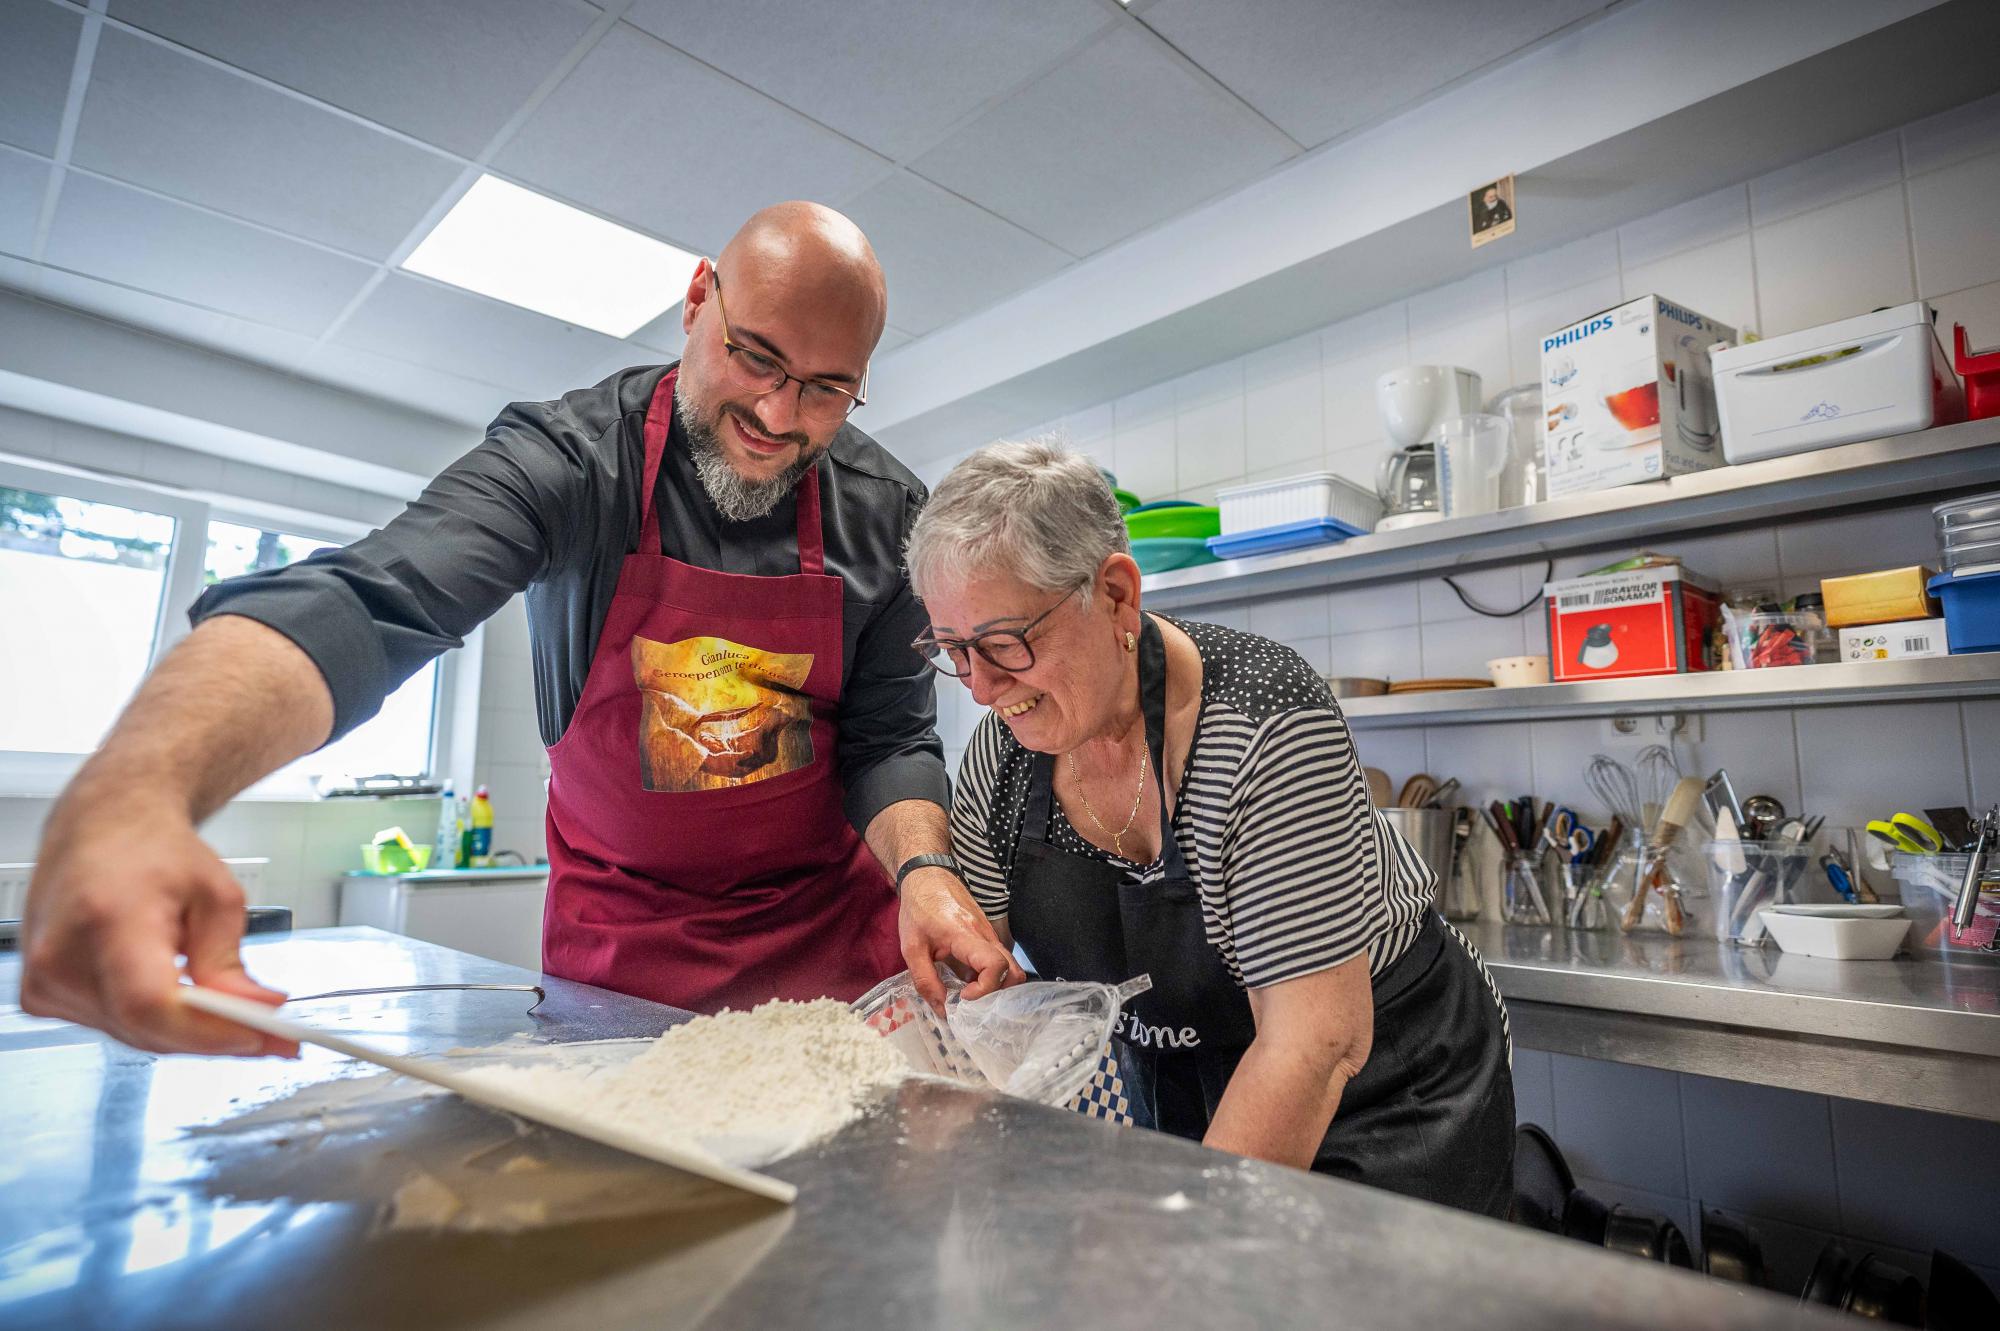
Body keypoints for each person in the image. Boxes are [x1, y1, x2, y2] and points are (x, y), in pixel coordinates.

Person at [20, 202, 1017, 1057]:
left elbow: (890, 738)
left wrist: (925, 875)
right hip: (622, 956)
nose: (775, 409)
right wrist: (136, 794)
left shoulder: (888, 513)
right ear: (696, 299)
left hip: (827, 955)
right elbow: (373, 601)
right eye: (753, 355)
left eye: (826, 388)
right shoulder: (570, 463)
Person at [900, 440, 1515, 1212]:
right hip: (1188, 1073)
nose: (983, 688)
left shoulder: (1264, 728)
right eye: (954, 650)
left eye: (1003, 643)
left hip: (1387, 1087)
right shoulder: (1004, 754)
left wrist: (1175, 1245)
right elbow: (986, 995)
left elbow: (1312, 1046)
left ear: (1117, 596)